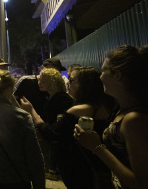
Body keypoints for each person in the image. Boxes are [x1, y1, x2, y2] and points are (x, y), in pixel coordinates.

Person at [20, 66, 116, 188]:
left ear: (85, 85)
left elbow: (51, 133)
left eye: (72, 80)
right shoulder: (107, 106)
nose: (68, 83)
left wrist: (31, 110)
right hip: (101, 166)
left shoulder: (78, 110)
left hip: (79, 168)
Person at [74, 45, 148, 189]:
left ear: (118, 75)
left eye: (103, 70)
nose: (100, 76)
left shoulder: (134, 120)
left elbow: (142, 184)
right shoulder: (121, 108)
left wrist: (97, 148)